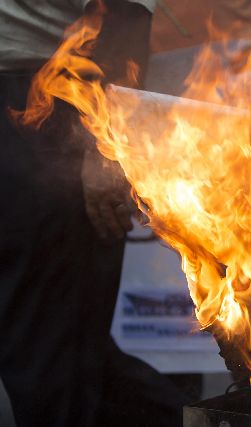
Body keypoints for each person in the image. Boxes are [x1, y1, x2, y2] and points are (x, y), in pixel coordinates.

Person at [0, 1, 190, 426]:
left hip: (52, 103)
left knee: (49, 354)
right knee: (60, 352)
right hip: (20, 108)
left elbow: (126, 12)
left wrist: (102, 149)